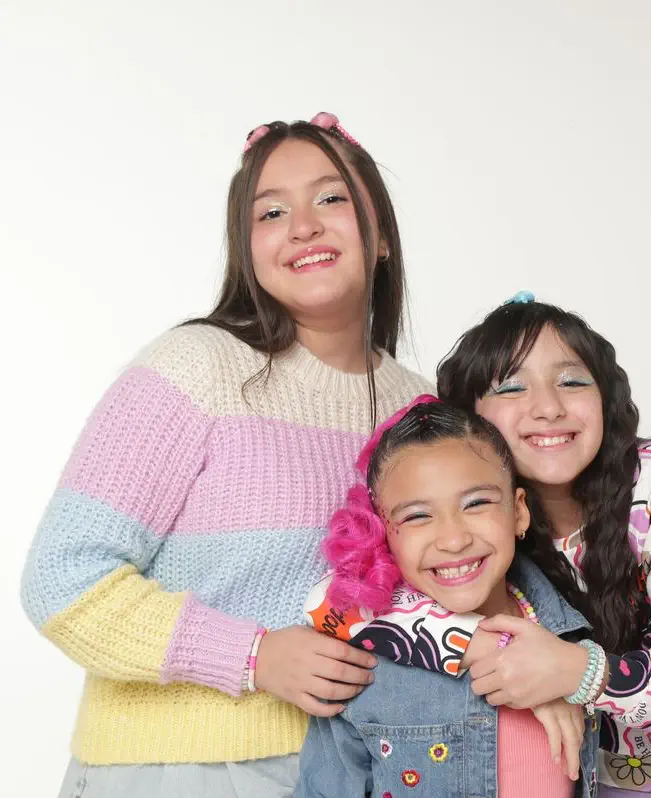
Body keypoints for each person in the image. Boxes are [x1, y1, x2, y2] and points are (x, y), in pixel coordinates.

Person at [20, 112, 431, 798]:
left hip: (357, 768)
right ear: (248, 249)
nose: (303, 227)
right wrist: (253, 656)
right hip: (175, 770)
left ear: (381, 234)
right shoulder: (196, 369)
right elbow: (64, 581)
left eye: (331, 198)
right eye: (271, 212)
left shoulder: (422, 407)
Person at [311, 292, 651, 796]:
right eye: (511, 387)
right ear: (471, 419)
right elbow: (334, 601)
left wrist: (571, 672)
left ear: (604, 397)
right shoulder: (483, 515)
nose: (547, 407)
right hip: (597, 776)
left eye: (571, 381)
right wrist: (490, 647)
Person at [297, 399, 600, 798]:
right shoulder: (364, 669)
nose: (454, 540)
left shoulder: (570, 638)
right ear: (382, 534)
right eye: (417, 516)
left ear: (519, 512)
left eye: (476, 504)